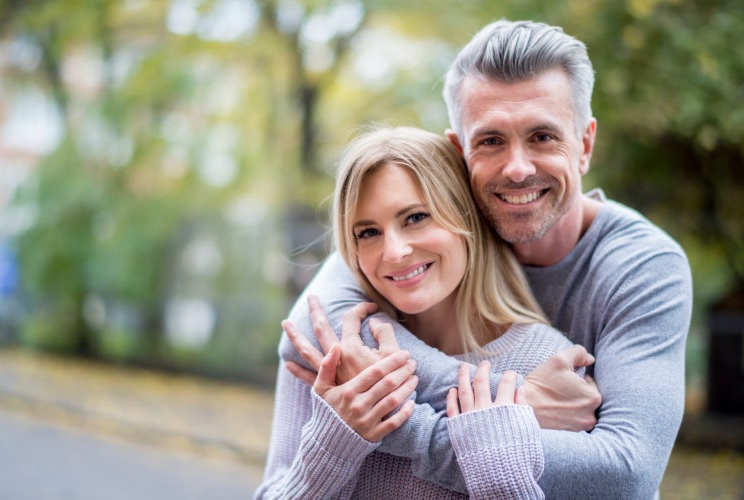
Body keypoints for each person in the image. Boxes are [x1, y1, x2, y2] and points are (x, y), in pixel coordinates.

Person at [276, 19, 693, 500]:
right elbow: (311, 334)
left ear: (584, 144)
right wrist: (516, 402)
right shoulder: (431, 222)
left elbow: (625, 476)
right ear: (460, 153)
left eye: (542, 136)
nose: (517, 168)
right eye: (491, 140)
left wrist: (409, 426)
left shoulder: (642, 267)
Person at [255, 126, 584, 499]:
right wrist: (333, 442)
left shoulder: (554, 373)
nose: (394, 252)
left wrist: (498, 481)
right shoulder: (337, 357)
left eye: (415, 218)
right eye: (367, 232)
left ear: (465, 217)